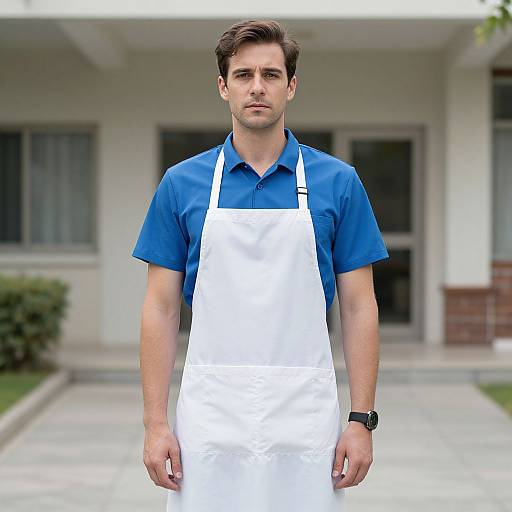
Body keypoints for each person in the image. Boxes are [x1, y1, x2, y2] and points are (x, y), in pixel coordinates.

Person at [132, 18, 389, 511]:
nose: (257, 87)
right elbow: (159, 309)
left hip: (305, 418)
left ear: (291, 86)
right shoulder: (181, 184)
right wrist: (155, 422)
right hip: (209, 419)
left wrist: (361, 421)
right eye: (244, 74)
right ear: (223, 86)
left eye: (271, 75)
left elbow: (360, 308)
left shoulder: (338, 183)